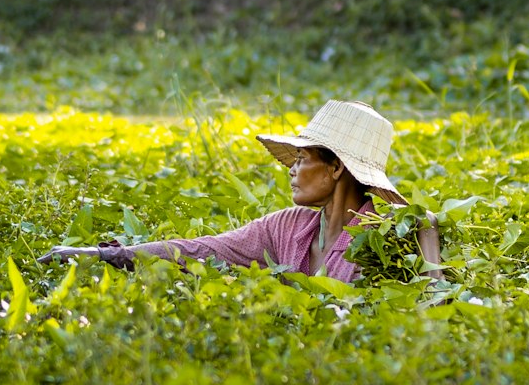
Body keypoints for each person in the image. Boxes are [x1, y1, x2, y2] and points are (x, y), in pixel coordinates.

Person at [38, 100, 440, 283]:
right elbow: (203, 251)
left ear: (336, 167)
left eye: (302, 159)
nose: (292, 171)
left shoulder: (386, 237)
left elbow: (431, 301)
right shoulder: (288, 227)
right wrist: (105, 256)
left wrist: (427, 235)